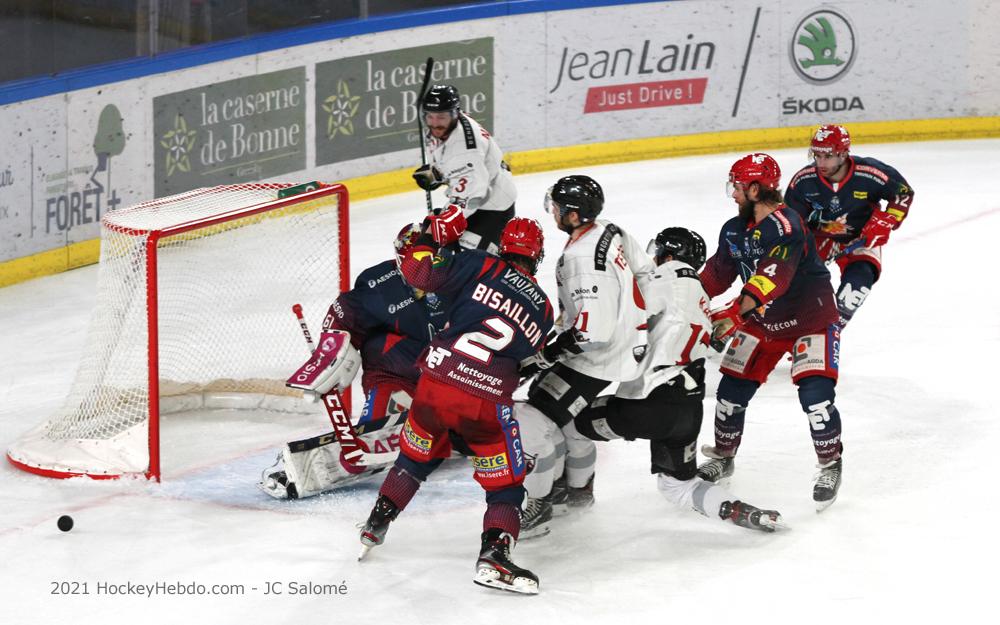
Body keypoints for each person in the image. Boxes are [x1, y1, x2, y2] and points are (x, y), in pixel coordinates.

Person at [347, 212, 553, 595]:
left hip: (435, 384)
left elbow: (420, 276)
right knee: (506, 488)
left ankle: (377, 523)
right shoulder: (543, 308)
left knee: (414, 460)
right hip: (485, 403)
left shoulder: (480, 264)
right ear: (536, 256)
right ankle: (493, 556)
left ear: (504, 247)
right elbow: (527, 358)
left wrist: (431, 239)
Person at [568, 227, 783, 532]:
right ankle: (746, 513)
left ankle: (574, 497)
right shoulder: (702, 301)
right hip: (688, 411)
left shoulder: (665, 277)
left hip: (648, 404)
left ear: (668, 254)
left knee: (570, 422)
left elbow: (626, 319)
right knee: (676, 486)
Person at [696, 153, 845, 512]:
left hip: (810, 318)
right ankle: (724, 455)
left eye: (737, 186)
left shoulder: (787, 226)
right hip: (762, 321)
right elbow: (717, 274)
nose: (733, 194)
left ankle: (830, 463)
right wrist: (683, 295)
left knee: (816, 398)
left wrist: (734, 311)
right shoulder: (734, 229)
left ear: (755, 188)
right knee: (730, 393)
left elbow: (772, 277)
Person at [260, 224, 448, 499]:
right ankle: (303, 470)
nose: (422, 273)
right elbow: (340, 323)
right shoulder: (377, 286)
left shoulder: (460, 275)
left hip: (453, 379)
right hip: (396, 378)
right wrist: (328, 357)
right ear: (400, 262)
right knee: (378, 437)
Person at [515, 175, 654, 537]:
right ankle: (575, 491)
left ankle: (544, 502)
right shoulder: (611, 229)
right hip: (624, 344)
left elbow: (593, 333)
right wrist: (639, 321)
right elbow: (645, 272)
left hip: (601, 356)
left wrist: (544, 356)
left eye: (559, 208)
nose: (555, 212)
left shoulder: (581, 259)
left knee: (542, 415)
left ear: (574, 216)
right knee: (565, 418)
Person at [784, 124, 914, 328]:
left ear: (844, 153)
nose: (821, 162)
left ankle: (826, 332)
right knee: (791, 283)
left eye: (828, 156)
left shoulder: (870, 173)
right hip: (819, 236)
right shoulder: (803, 181)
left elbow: (902, 193)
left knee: (857, 286)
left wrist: (886, 221)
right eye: (817, 155)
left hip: (862, 236)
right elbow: (791, 223)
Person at [411, 84, 516, 253]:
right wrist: (437, 173)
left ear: (454, 113)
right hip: (477, 194)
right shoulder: (447, 128)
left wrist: (439, 227)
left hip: (491, 208)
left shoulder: (465, 151)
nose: (435, 123)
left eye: (441, 117)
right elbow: (451, 164)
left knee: (466, 263)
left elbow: (472, 197)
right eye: (430, 116)